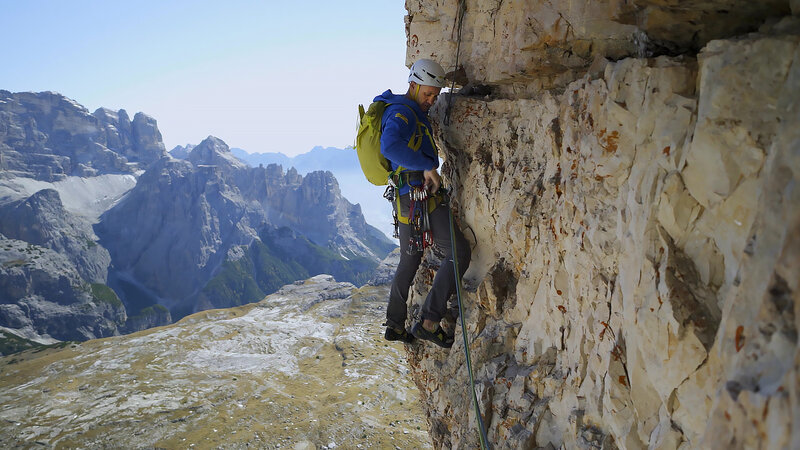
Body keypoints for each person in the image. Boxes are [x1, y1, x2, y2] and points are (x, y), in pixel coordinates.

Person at [376, 59, 471, 349]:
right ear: (413, 84)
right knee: (459, 252)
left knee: (410, 259)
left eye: (435, 95)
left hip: (405, 199)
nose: (431, 100)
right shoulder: (403, 113)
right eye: (428, 93)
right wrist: (429, 164)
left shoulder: (404, 110)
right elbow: (389, 146)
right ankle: (429, 322)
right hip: (420, 196)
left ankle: (394, 324)